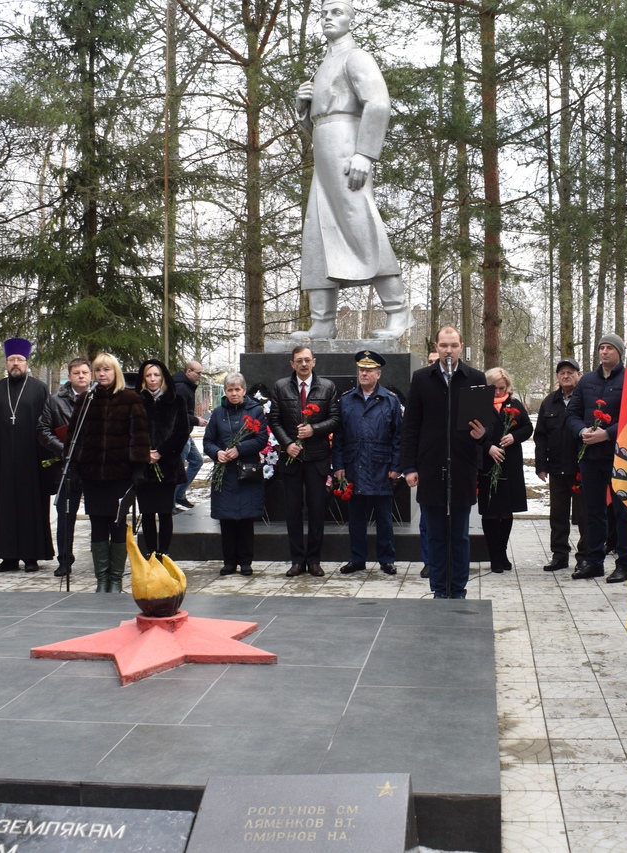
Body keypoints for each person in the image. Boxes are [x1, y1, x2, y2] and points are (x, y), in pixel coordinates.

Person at [292, 0, 408, 340]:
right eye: (324, 13)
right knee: (318, 230)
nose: (328, 18)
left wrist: (365, 154)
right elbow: (317, 125)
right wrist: (303, 111)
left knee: (362, 224)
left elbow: (379, 103)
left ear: (352, 20)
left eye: (337, 12)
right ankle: (323, 321)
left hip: (347, 148)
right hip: (325, 149)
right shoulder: (324, 63)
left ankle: (398, 313)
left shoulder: (356, 57)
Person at [401, 326, 488, 599]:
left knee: (459, 535)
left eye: (453, 345)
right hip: (430, 465)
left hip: (462, 466)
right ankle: (439, 588)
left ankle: (458, 588)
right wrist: (409, 466)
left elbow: (487, 424)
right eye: (443, 345)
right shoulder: (422, 378)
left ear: (461, 346)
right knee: (436, 535)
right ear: (436, 347)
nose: (448, 350)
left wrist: (482, 435)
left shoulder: (474, 377)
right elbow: (411, 426)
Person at [69, 354, 150, 592]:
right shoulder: (86, 400)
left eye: (107, 369)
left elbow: (140, 437)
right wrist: (73, 468)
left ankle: (115, 580)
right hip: (93, 475)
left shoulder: (130, 399)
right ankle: (101, 581)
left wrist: (138, 469)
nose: (101, 374)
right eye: (97, 370)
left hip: (120, 475)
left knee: (117, 525)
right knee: (97, 525)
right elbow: (75, 438)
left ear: (116, 372)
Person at [0, 338, 54, 572]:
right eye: (11, 360)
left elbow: (46, 425)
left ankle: (31, 556)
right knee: (4, 508)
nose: (15, 363)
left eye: (19, 360)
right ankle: (8, 557)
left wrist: (48, 462)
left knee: (32, 507)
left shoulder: (39, 389)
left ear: (27, 362)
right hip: (2, 463)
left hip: (32, 461)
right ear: (6, 363)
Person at [269, 345, 340, 578]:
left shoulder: (327, 387)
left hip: (317, 458)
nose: (303, 364)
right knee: (293, 510)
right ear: (292, 364)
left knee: (317, 510)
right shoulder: (280, 387)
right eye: (298, 360)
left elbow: (335, 419)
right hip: (291, 459)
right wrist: (287, 443)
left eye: (307, 360)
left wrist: (314, 430)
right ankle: (297, 560)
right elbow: (275, 419)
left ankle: (314, 560)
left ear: (314, 362)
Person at [566, 333, 627, 582]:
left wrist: (608, 434)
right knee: (592, 510)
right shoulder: (587, 382)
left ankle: (625, 563)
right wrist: (581, 430)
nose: (604, 352)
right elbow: (572, 413)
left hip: (619, 455)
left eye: (609, 348)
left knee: (622, 511)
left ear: (619, 352)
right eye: (601, 348)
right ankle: (594, 560)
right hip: (590, 456)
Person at [334, 350, 403, 576]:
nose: (364, 373)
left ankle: (386, 559)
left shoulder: (390, 401)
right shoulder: (346, 400)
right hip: (354, 466)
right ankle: (357, 559)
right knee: (356, 518)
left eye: (369, 370)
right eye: (361, 369)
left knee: (384, 517)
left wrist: (395, 466)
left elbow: (398, 437)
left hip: (381, 467)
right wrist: (339, 465)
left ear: (378, 374)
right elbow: (339, 437)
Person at [205, 373, 269, 576]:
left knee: (246, 519)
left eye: (237, 389)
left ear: (244, 390)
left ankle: (246, 561)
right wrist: (217, 452)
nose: (234, 393)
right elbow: (208, 441)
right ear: (225, 391)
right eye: (230, 390)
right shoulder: (217, 413)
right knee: (227, 519)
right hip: (225, 473)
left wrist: (239, 448)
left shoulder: (255, 410)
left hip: (246, 472)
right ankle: (229, 561)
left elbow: (261, 439)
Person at [37, 358, 92, 578]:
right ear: (69, 376)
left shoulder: (100, 399)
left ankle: (100, 559)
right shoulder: (55, 401)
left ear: (91, 375)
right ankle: (65, 560)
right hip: (67, 467)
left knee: (99, 515)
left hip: (95, 466)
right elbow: (43, 430)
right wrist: (64, 450)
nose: (81, 376)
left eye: (85, 372)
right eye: (76, 373)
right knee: (65, 515)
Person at [476, 367, 532, 574]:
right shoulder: (480, 405)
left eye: (502, 388)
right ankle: (493, 556)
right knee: (491, 510)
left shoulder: (514, 404)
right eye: (494, 388)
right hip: (488, 462)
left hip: (510, 463)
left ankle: (502, 551)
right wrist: (487, 446)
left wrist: (514, 437)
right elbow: (470, 432)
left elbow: (527, 427)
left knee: (506, 510)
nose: (498, 392)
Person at [135, 359, 191, 557]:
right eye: (148, 375)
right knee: (148, 513)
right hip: (144, 467)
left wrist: (160, 452)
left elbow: (181, 432)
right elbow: (130, 431)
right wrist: (144, 453)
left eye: (156, 375)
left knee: (165, 512)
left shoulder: (176, 400)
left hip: (167, 465)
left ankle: (164, 553)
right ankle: (150, 553)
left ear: (163, 377)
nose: (152, 379)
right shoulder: (136, 400)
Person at [534, 358, 585, 573]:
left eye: (570, 372)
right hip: (556, 468)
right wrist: (541, 465)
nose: (566, 376)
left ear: (578, 375)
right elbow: (541, 437)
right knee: (558, 514)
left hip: (581, 469)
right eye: (562, 372)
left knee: (583, 515)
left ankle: (584, 556)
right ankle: (559, 554)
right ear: (557, 377)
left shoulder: (585, 399)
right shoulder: (549, 402)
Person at [171, 359, 205, 511]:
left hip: (186, 433)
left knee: (197, 461)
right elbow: (178, 414)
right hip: (178, 433)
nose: (200, 376)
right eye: (198, 373)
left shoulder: (186, 386)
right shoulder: (181, 388)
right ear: (188, 372)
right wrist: (196, 420)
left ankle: (179, 494)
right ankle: (170, 504)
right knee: (176, 469)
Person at [418, 350, 440, 580]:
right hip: (427, 461)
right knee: (427, 519)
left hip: (452, 462)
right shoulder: (421, 384)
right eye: (431, 361)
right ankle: (429, 561)